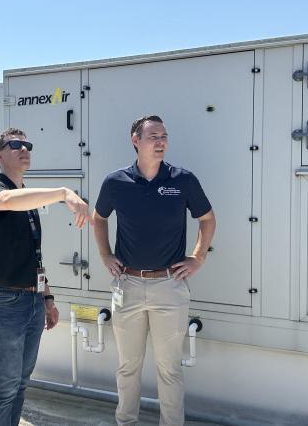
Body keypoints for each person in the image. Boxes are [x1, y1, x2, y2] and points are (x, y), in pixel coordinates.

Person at [91, 115, 216, 426]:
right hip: (128, 284)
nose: (160, 141)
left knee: (169, 368)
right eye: (153, 136)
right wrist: (105, 255)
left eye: (164, 136)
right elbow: (98, 218)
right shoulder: (115, 182)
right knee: (128, 366)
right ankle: (126, 422)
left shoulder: (182, 180)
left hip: (169, 286)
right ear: (136, 141)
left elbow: (207, 219)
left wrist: (197, 258)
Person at [0, 127, 90, 425]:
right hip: (2, 302)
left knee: (21, 383)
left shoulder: (28, 203)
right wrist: (63, 193)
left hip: (32, 300)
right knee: (4, 386)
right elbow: (8, 201)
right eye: (15, 144)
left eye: (28, 144)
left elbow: (33, 256)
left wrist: (47, 297)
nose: (24, 148)